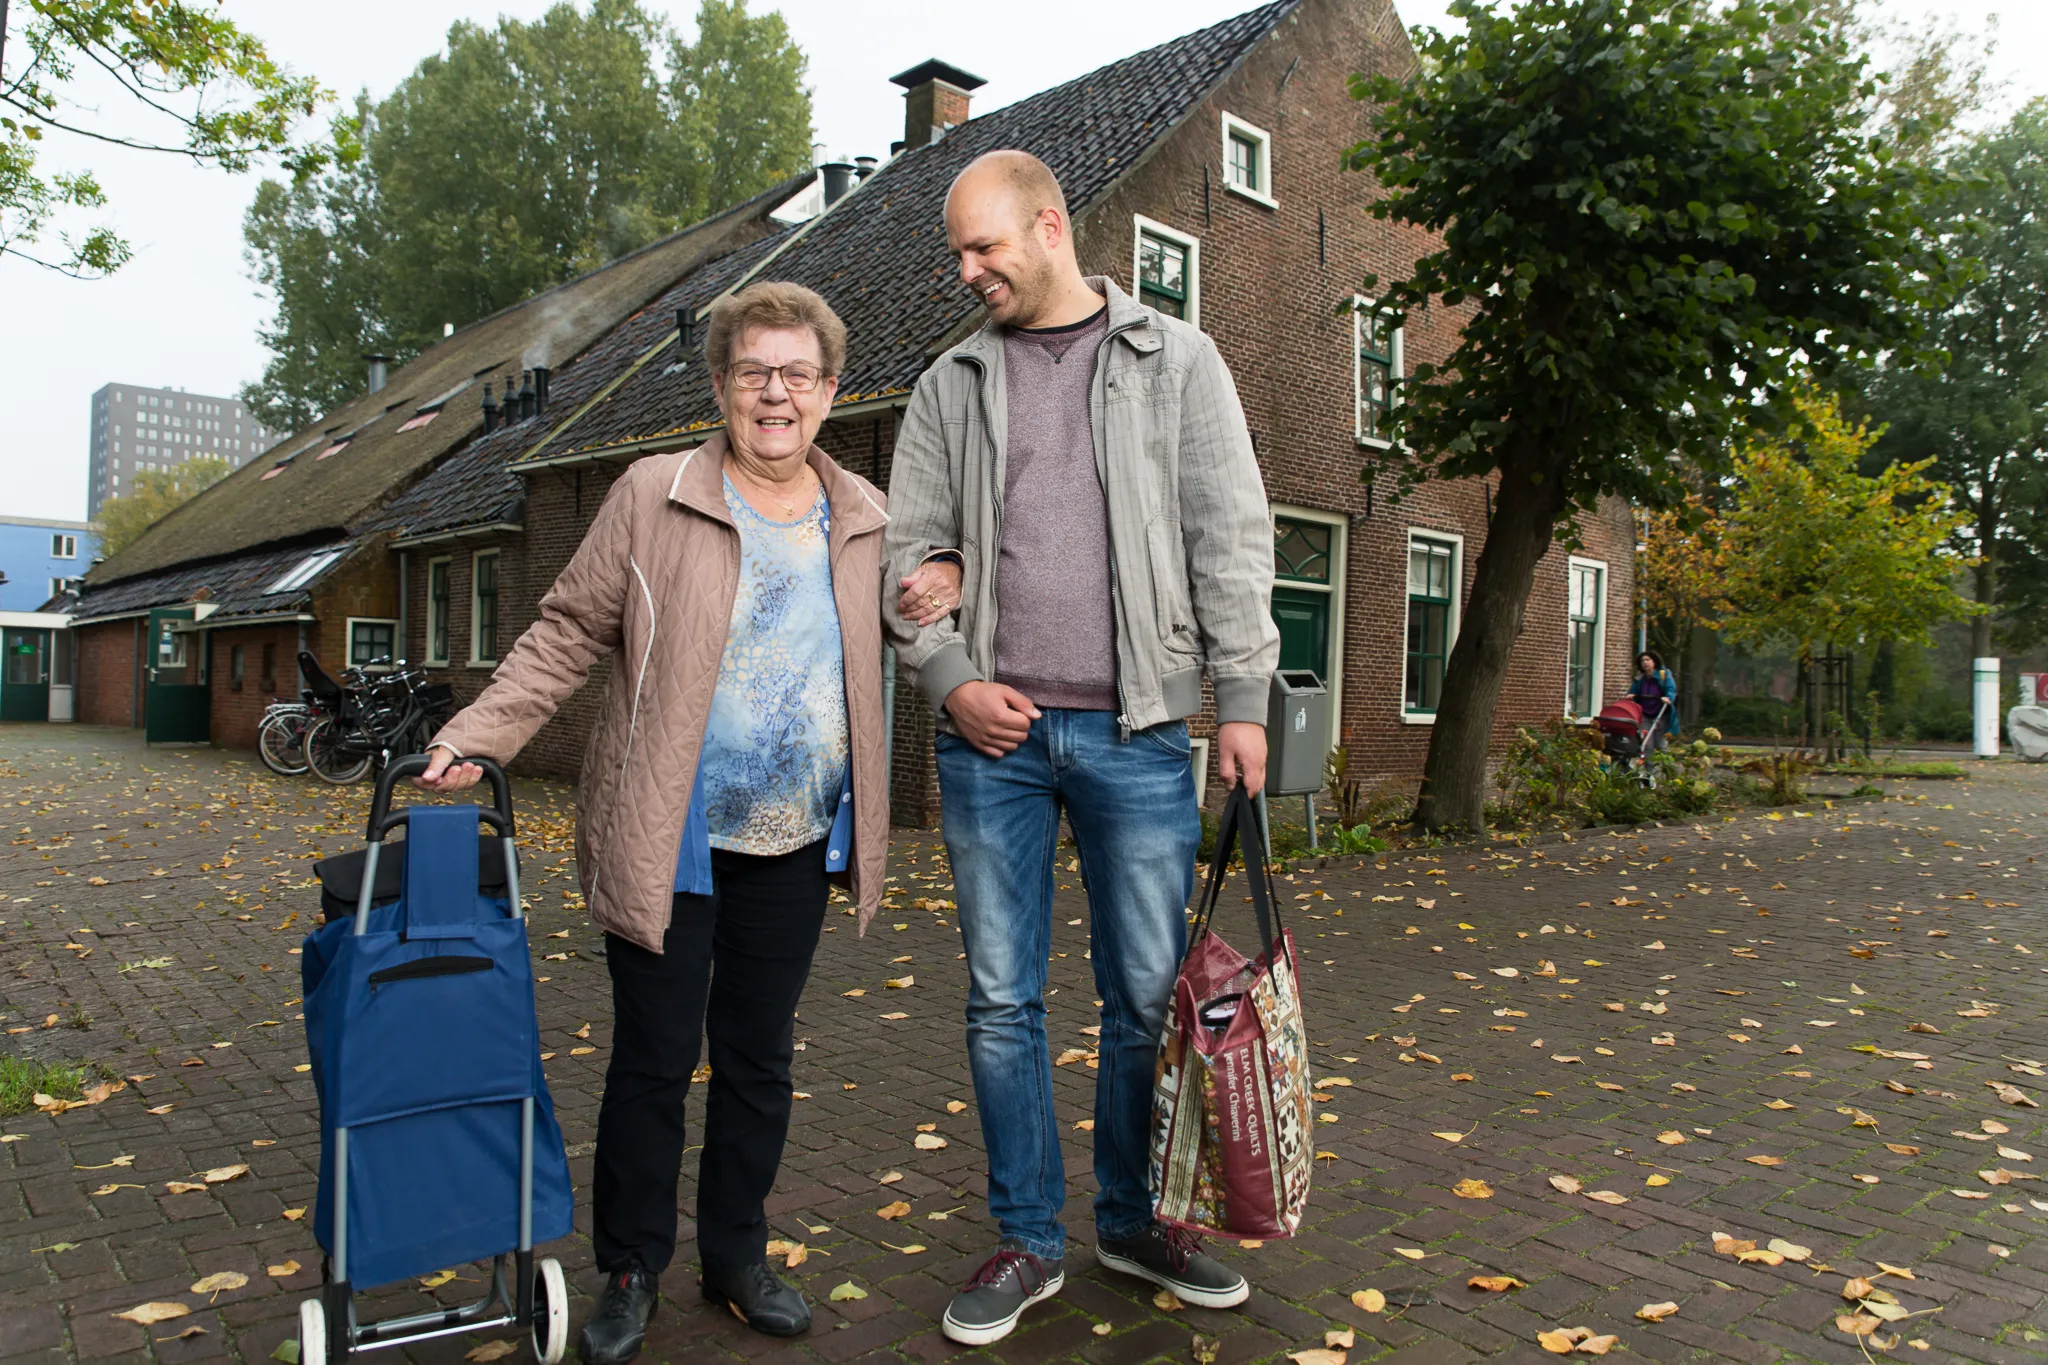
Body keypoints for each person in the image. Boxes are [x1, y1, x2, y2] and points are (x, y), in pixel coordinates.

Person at [413, 282, 962, 1363]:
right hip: (668, 833)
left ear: (828, 392)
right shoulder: (650, 494)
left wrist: (948, 590)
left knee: (758, 1060)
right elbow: (566, 630)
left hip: (799, 839)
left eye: (795, 374)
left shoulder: (864, 516)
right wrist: (484, 731)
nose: (774, 392)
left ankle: (735, 1255)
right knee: (653, 1062)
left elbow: (925, 622)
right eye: (753, 371)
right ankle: (627, 1269)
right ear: (719, 386)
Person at [882, 149, 1281, 1347]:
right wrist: (949, 682)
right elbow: (907, 556)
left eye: (981, 249)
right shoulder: (946, 385)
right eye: (957, 253)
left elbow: (1230, 533)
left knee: (1140, 1000)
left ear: (1048, 228)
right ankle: (1025, 1238)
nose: (966, 273)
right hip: (988, 744)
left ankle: (1131, 1221)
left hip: (1138, 731)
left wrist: (1244, 699)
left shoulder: (1178, 362)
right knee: (1002, 1001)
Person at [1629, 651, 1680, 748]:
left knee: (1660, 744)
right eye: (1642, 661)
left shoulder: (1664, 674)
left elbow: (1671, 688)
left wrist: (1668, 698)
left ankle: (1663, 762)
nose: (1645, 662)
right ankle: (1649, 762)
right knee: (1646, 742)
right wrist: (1631, 696)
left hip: (1660, 713)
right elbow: (1633, 690)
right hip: (1645, 713)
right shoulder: (1640, 677)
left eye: (1648, 660)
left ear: (1654, 662)